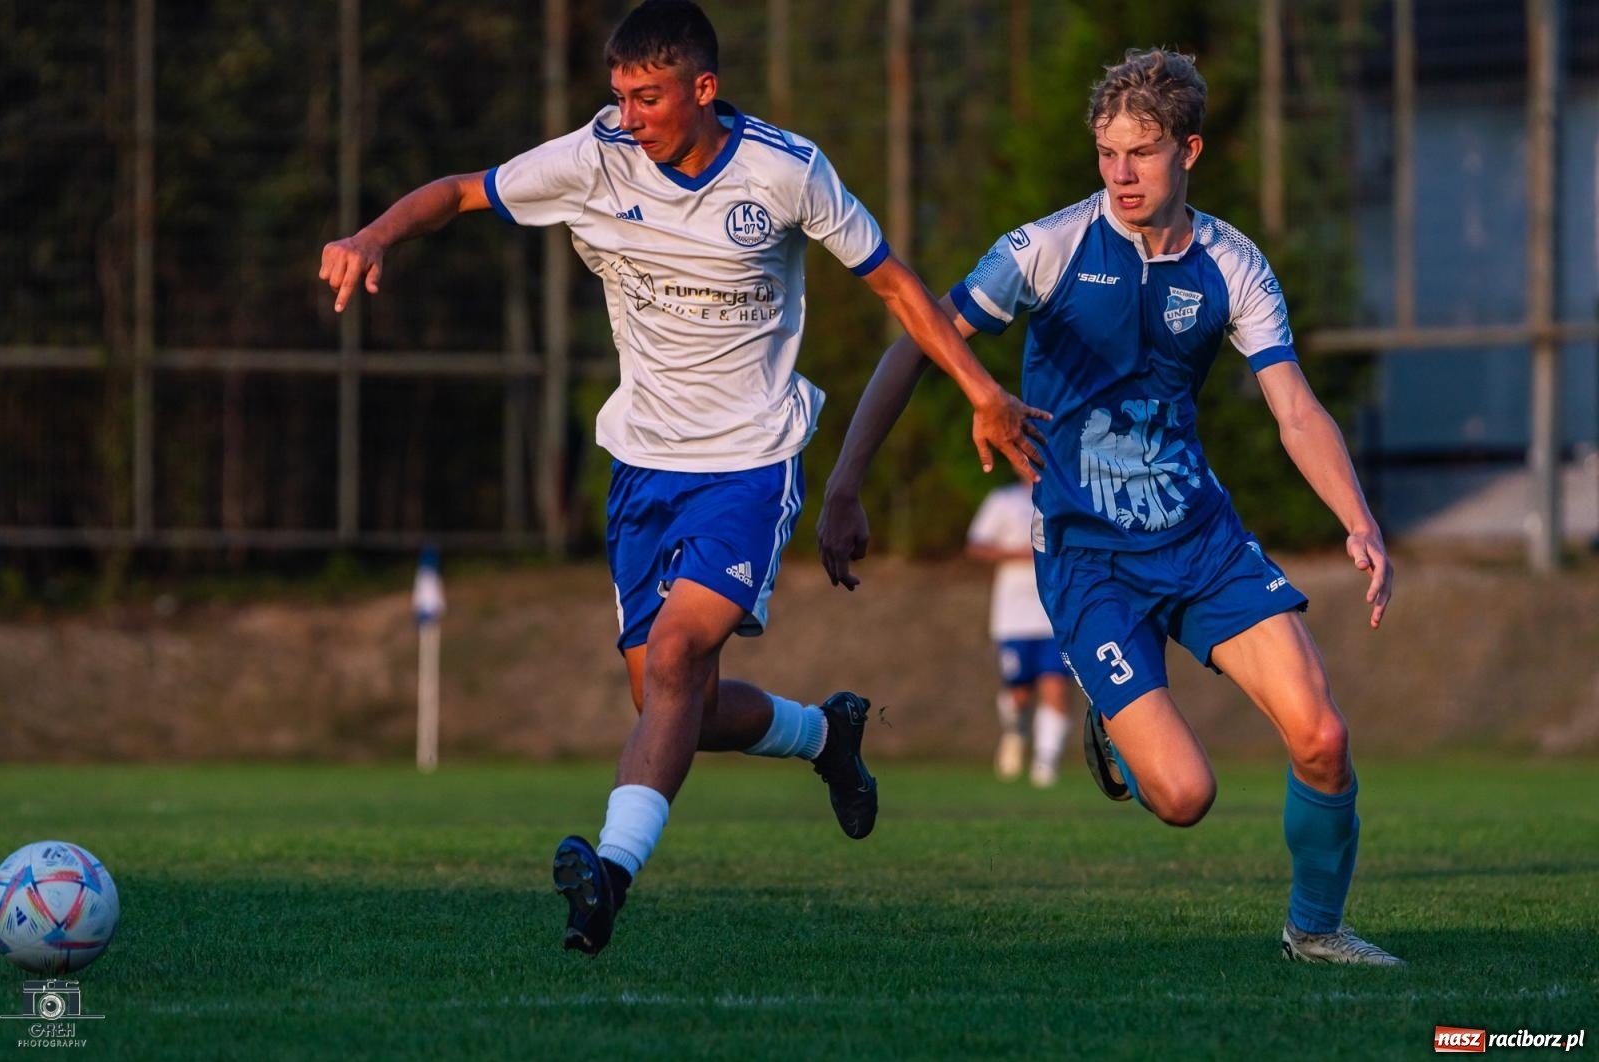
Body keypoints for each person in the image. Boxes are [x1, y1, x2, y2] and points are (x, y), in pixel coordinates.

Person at [318, 0, 1044, 957]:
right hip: (642, 466)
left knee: (672, 661)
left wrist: (984, 389)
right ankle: (826, 737)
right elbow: (461, 191)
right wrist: (373, 234)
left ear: (703, 89)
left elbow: (898, 287)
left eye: (647, 96)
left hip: (748, 463)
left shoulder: (787, 171)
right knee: (678, 708)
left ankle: (609, 878)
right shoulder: (595, 156)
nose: (628, 114)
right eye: (617, 94)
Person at [818, 47, 1405, 965]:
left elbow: (1294, 407)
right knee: (1183, 797)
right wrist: (846, 478)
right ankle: (1115, 725)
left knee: (1323, 736)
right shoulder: (1045, 249)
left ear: (1190, 151)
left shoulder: (1231, 265)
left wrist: (1357, 518)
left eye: (1143, 152)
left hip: (1201, 541)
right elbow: (919, 338)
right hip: (1089, 561)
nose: (1121, 174)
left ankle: (1317, 931)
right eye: (1106, 153)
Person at [965, 479, 1072, 786]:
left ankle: (1045, 762)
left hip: (1053, 613)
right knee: (1019, 692)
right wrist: (1019, 555)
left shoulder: (1065, 495)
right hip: (1013, 616)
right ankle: (1015, 733)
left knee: (1056, 686)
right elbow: (976, 546)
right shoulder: (1004, 499)